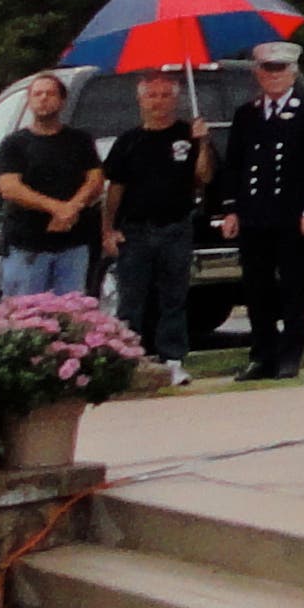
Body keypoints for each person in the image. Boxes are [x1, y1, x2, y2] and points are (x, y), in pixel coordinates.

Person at [218, 42, 304, 381]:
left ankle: (290, 356)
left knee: (293, 288)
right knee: (256, 289)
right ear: (257, 72)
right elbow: (235, 166)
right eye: (268, 69)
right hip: (255, 215)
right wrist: (231, 209)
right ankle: (262, 355)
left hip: (292, 216)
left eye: (281, 69)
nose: (274, 75)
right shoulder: (247, 114)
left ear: (293, 72)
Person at [99, 70, 209, 385]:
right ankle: (130, 360)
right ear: (140, 100)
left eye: (165, 95)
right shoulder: (128, 141)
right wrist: (108, 228)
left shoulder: (188, 134)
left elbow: (204, 178)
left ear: (176, 99)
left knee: (173, 296)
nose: (158, 102)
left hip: (176, 228)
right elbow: (114, 190)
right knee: (132, 298)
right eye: (152, 95)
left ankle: (173, 360)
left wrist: (203, 144)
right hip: (135, 231)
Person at [0, 72, 104, 298]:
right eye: (37, 94)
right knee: (25, 319)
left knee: (71, 319)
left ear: (62, 101)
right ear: (29, 100)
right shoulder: (14, 143)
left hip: (73, 246)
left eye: (50, 93)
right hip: (27, 246)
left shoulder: (80, 140)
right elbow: (9, 186)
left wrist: (72, 206)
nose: (43, 98)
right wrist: (56, 208)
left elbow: (95, 179)